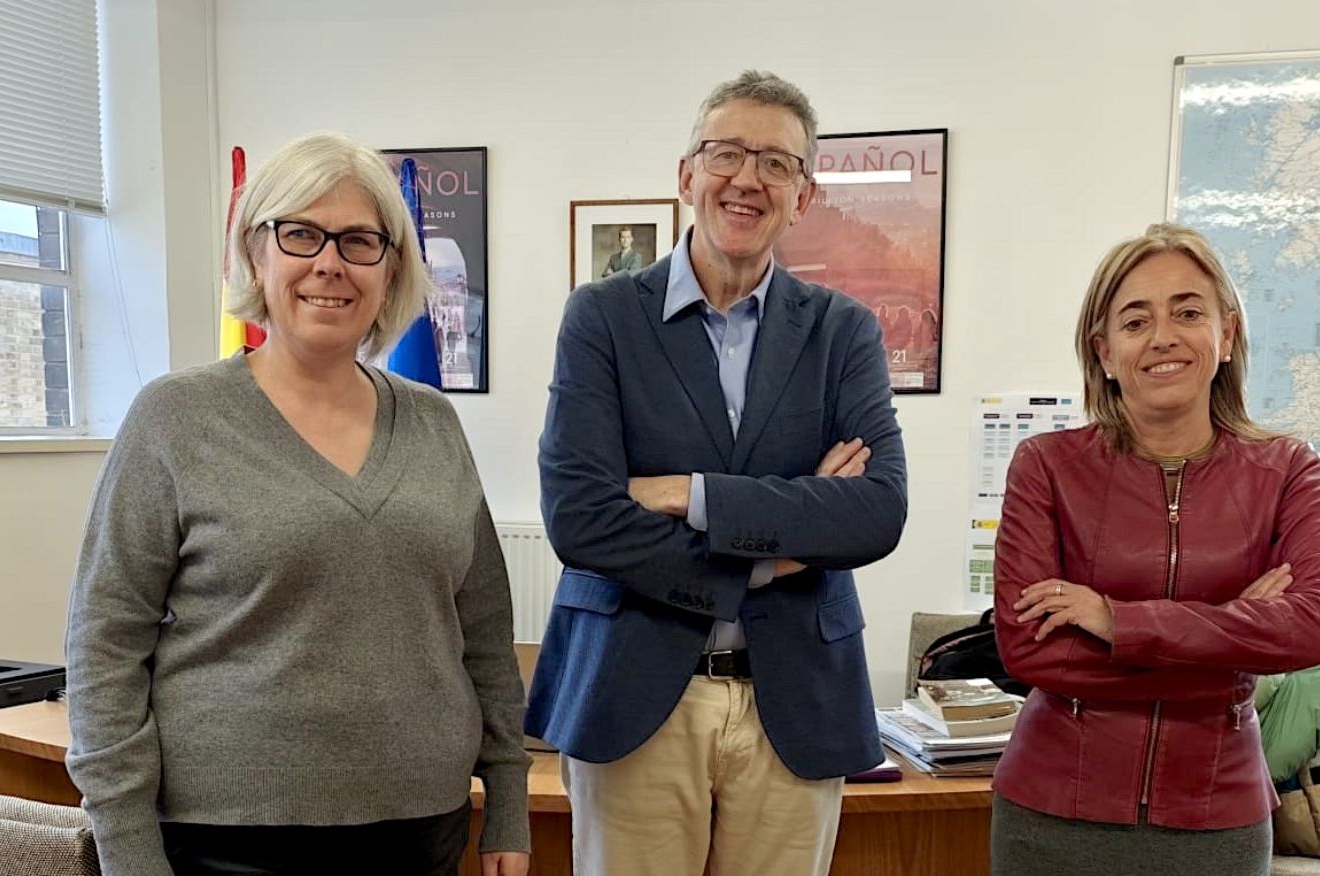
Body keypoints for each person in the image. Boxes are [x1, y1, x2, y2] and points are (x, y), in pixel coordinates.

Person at [64, 131, 531, 876]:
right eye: (301, 234)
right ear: (256, 253)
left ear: (391, 269)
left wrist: (507, 795)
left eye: (358, 242)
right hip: (227, 837)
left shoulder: (434, 422)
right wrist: (125, 845)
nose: (329, 264)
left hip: (422, 825)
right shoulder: (174, 419)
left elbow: (484, 629)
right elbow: (104, 646)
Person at [526, 70, 908, 876]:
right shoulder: (602, 317)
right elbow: (580, 519)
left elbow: (876, 512)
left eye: (777, 163)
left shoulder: (843, 333)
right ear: (686, 174)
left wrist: (684, 495)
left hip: (794, 698)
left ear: (803, 196)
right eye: (727, 153)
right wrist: (782, 546)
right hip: (631, 689)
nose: (748, 179)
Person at [989, 223, 1320, 876]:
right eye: (1134, 321)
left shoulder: (1289, 469)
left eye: (1188, 312)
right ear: (1103, 352)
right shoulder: (1045, 466)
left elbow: (1315, 627)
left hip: (1216, 820)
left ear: (1227, 334)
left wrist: (1115, 620)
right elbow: (1028, 647)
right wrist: (1235, 637)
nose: (1162, 337)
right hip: (1052, 814)